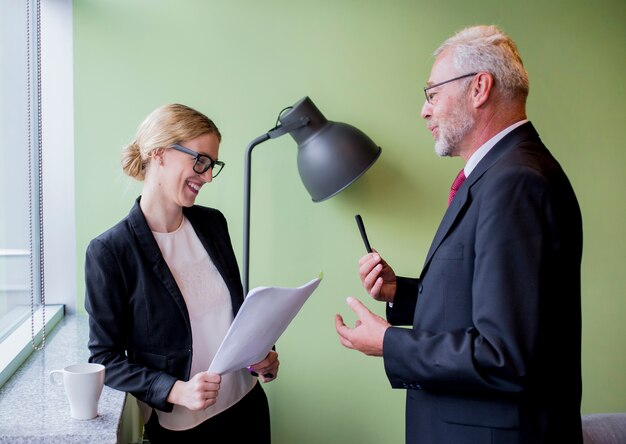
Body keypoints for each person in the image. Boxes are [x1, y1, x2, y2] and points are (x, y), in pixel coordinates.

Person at [335, 25, 583, 444]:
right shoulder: (501, 173)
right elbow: (491, 302)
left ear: (479, 88)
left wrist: (390, 343)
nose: (424, 110)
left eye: (432, 93)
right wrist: (403, 293)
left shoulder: (515, 182)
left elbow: (504, 355)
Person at [85, 103, 279, 443]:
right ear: (159, 153)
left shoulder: (213, 223)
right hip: (186, 428)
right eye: (200, 160)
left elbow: (233, 314)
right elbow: (105, 358)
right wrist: (175, 390)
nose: (206, 176)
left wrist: (261, 354)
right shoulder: (111, 252)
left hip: (248, 406)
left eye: (211, 165)